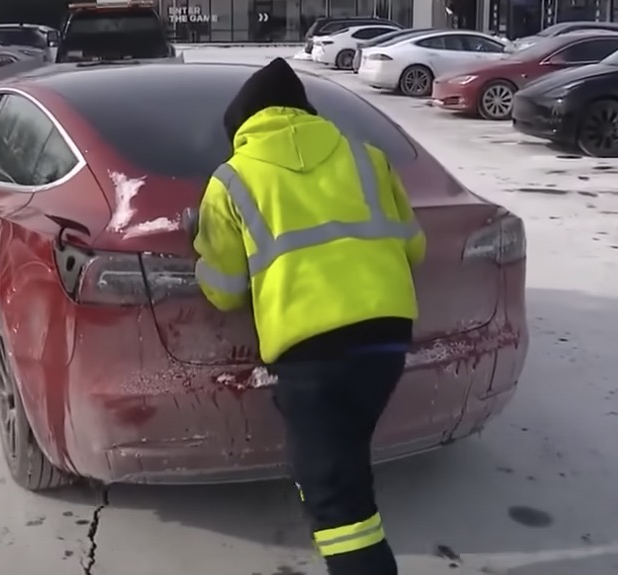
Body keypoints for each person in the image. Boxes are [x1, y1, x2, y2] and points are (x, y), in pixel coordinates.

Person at [189, 57, 427, 575]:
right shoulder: (367, 157)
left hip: (312, 353)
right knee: (345, 462)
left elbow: (226, 292)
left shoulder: (230, 181)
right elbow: (414, 247)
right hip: (387, 338)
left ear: (242, 129)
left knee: (337, 503)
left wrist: (202, 256)